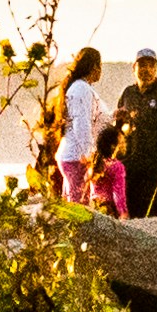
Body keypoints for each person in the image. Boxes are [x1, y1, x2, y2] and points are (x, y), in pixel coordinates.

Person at [112, 47, 157, 219]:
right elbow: (118, 125)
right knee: (130, 212)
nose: (146, 69)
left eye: (151, 65)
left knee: (154, 214)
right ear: (134, 68)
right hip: (129, 163)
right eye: (142, 65)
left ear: (156, 68)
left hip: (155, 164)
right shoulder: (128, 93)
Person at [47, 45, 108, 209]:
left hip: (71, 155)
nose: (101, 71)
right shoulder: (81, 88)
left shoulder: (79, 87)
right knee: (77, 207)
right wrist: (89, 155)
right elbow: (82, 124)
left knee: (71, 203)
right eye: (100, 66)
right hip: (76, 158)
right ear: (93, 67)